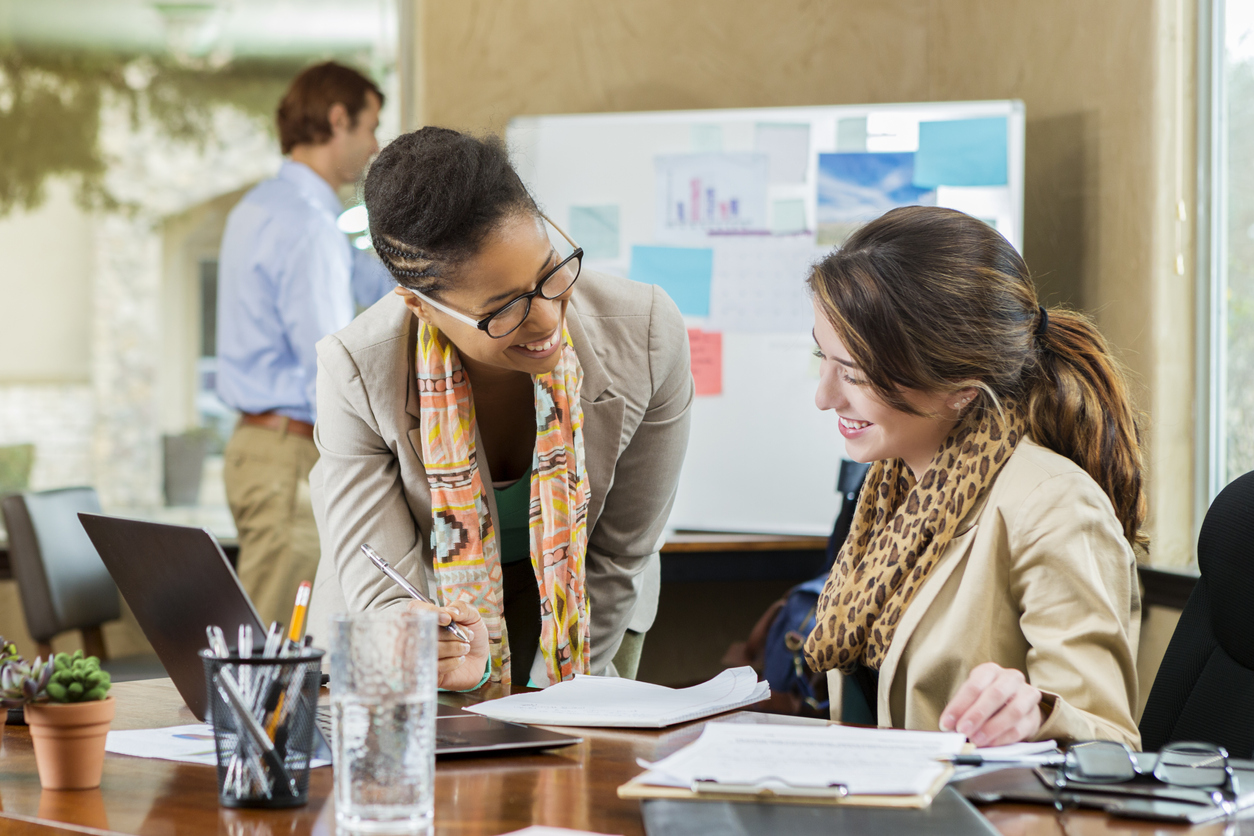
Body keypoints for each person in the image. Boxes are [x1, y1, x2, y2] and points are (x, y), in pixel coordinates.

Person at [306, 127, 693, 689]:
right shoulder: (356, 370)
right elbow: (387, 590)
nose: (546, 319)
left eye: (549, 272)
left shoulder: (648, 335)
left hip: (586, 607)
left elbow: (618, 556)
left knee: (573, 760)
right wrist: (429, 646)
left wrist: (549, 699)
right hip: (427, 599)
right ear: (420, 306)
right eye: (504, 309)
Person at [802, 205, 1144, 748]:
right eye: (823, 357)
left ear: (962, 385)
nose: (824, 397)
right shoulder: (889, 492)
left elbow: (1110, 745)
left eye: (855, 373)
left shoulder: (1052, 506)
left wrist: (1036, 715)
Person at [216, 62, 393, 625]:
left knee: (270, 649)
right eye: (370, 127)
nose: (374, 144)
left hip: (262, 447)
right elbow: (331, 360)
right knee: (271, 655)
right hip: (288, 455)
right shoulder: (308, 224)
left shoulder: (269, 206)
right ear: (337, 119)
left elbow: (361, 287)